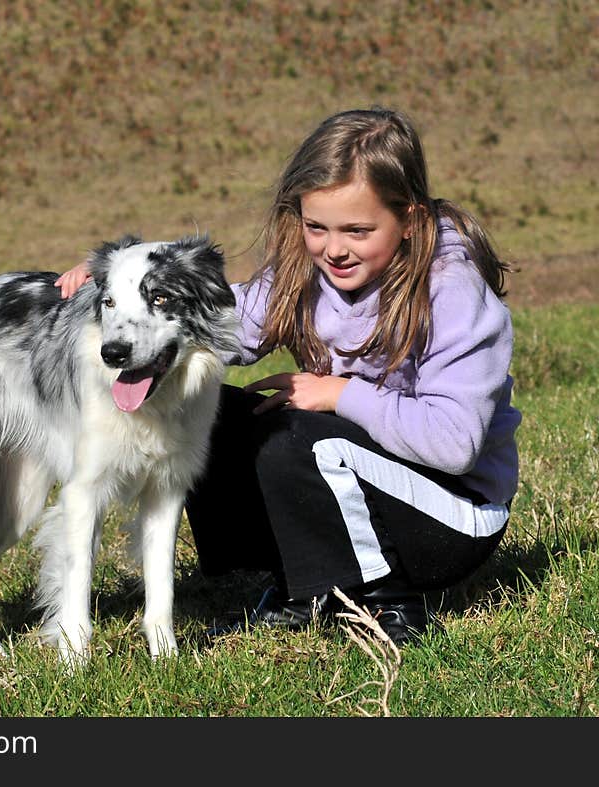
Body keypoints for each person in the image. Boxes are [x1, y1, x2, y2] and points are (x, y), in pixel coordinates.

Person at [55, 107, 522, 646]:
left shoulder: (453, 292)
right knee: (220, 416)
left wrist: (340, 394)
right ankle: (302, 587)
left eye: (358, 230)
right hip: (366, 472)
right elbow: (222, 327)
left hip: (452, 518)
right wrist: (122, 279)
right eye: (315, 227)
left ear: (411, 221)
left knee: (298, 438)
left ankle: (386, 605)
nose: (333, 248)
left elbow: (455, 443)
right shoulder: (305, 272)